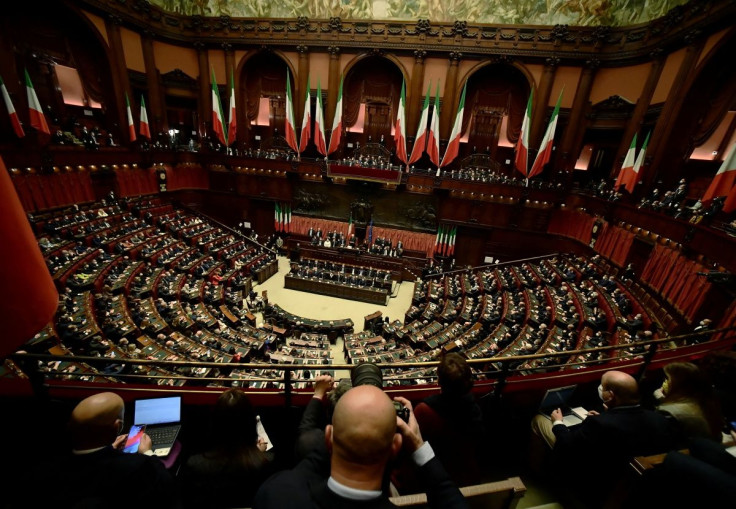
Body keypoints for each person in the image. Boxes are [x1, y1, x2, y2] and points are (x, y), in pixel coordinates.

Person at [254, 384, 467, 509]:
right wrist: (417, 444)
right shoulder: (280, 490)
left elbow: (304, 469)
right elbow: (451, 498)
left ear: (328, 438)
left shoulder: (276, 494)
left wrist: (341, 430)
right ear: (396, 446)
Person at [531, 371, 678, 502]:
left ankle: (539, 476)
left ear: (610, 395)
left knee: (539, 420)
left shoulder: (601, 423)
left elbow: (568, 446)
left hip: (595, 481)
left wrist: (558, 423)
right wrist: (607, 415)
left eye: (603, 387)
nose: (601, 389)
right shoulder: (659, 419)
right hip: (632, 483)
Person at [24, 392, 179, 509]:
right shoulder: (136, 466)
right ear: (117, 427)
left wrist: (110, 449)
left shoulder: (41, 469)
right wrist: (147, 452)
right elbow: (167, 488)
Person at [179, 388, 275, 508]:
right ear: (250, 424)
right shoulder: (265, 463)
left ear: (214, 423)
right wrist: (258, 454)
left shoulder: (194, 465)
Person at [409, 353, 485, 487]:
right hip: (467, 474)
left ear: (440, 382)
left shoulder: (424, 411)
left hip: (434, 477)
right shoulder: (476, 410)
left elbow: (411, 446)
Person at [654, 362, 722, 441]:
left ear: (679, 384)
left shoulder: (666, 412)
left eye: (668, 379)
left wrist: (661, 401)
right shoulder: (709, 402)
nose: (665, 383)